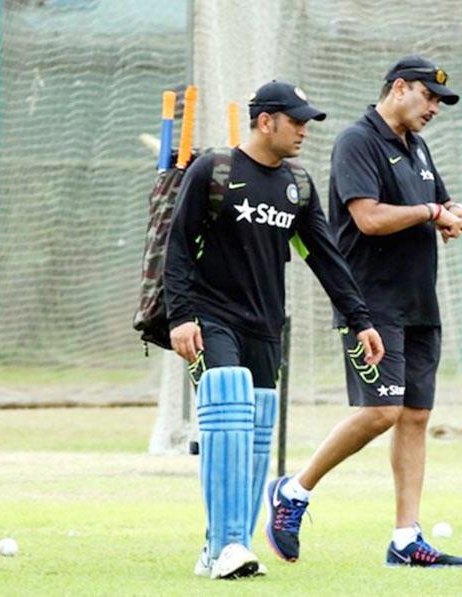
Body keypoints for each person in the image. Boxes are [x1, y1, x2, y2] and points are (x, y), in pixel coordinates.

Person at [163, 79, 384, 580]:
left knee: (257, 432)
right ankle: (229, 545)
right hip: (210, 315)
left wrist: (360, 320)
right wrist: (180, 316)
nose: (304, 130)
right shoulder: (213, 170)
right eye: (297, 121)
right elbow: (177, 247)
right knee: (228, 411)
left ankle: (218, 546)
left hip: (265, 324)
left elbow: (326, 258)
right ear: (267, 121)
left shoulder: (298, 186)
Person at [266, 56, 462, 568]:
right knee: (382, 410)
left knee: (415, 415)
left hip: (418, 301)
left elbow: (440, 204)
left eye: (439, 102)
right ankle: (293, 491)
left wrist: (455, 215)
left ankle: (406, 539)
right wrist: (431, 213)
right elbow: (369, 219)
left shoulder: (418, 147)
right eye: (428, 97)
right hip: (371, 303)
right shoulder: (357, 141)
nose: (434, 109)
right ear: (399, 88)